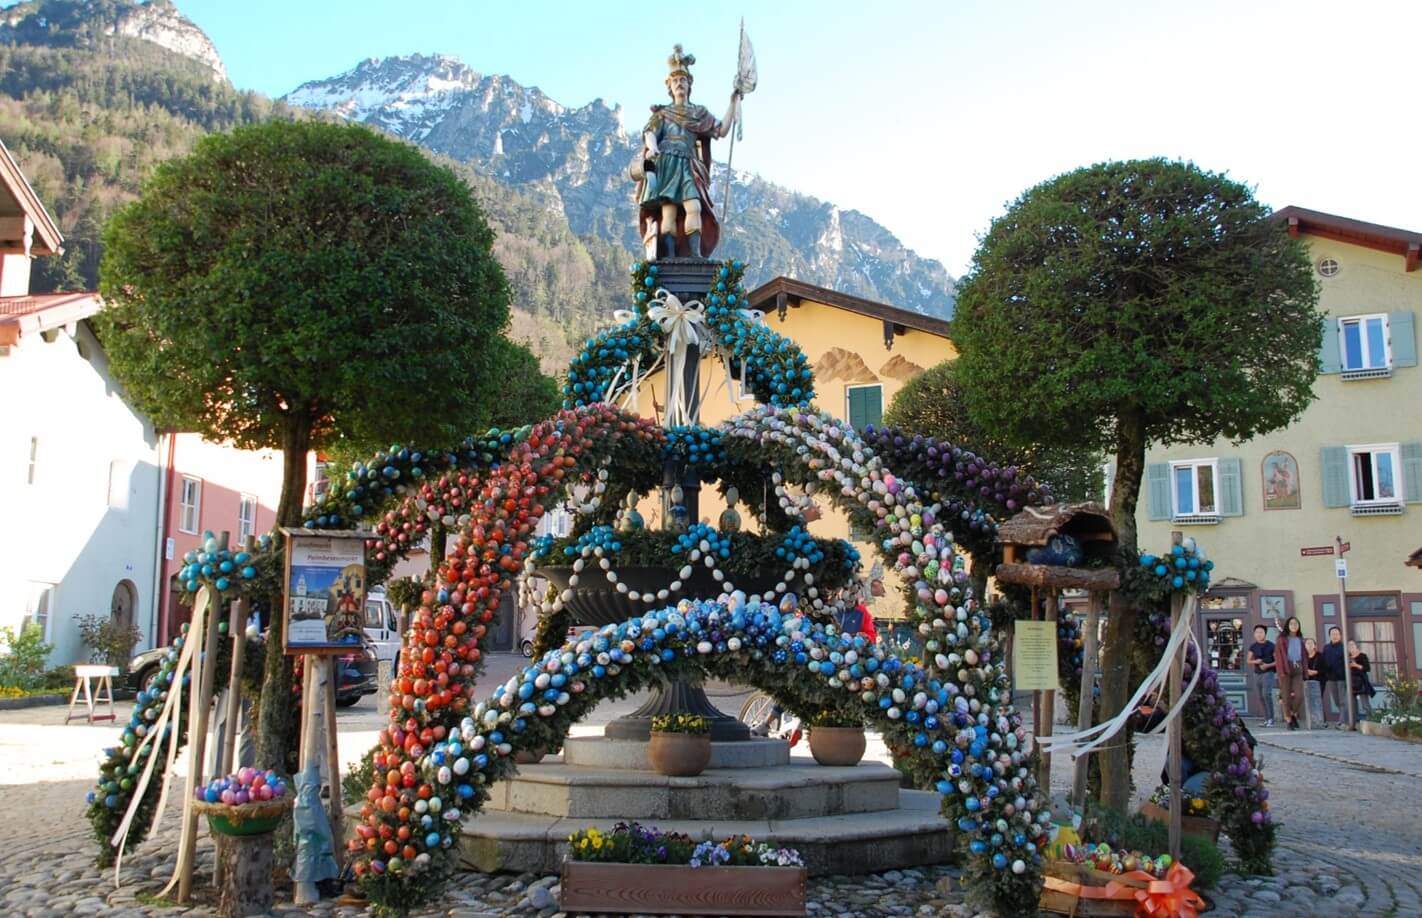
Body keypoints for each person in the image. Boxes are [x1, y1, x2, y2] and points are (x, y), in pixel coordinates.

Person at [634, 45, 740, 260]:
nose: (679, 84)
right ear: (670, 87)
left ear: (689, 85)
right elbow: (650, 133)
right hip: (667, 161)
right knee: (669, 211)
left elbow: (721, 130)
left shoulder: (698, 113)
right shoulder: (663, 113)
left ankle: (694, 254)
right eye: (675, 82)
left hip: (689, 164)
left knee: (694, 206)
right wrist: (653, 148)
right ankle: (670, 255)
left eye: (683, 81)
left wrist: (733, 102)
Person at [1272, 616, 1306, 730]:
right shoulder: (1282, 639)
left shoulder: (1300, 639)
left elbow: (1304, 656)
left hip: (1298, 667)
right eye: (1291, 624)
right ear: (1287, 625)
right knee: (1286, 696)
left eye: (1296, 624)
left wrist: (1305, 670)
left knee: (1299, 695)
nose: (1294, 626)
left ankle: (1293, 714)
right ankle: (1288, 720)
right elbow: (1278, 656)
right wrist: (1281, 670)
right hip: (1286, 667)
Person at [1246, 624, 1277, 727]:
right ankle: (1266, 719)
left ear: (1265, 634)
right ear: (1254, 634)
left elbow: (1277, 661)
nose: (1259, 634)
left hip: (1269, 673)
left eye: (1261, 632)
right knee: (1260, 696)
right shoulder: (1253, 646)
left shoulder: (1271, 645)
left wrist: (1267, 665)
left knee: (1266, 694)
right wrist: (1256, 661)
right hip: (1257, 673)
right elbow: (1248, 660)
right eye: (1257, 632)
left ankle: (1271, 719)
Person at [1320, 626, 1348, 727]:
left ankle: (1342, 721)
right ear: (1329, 636)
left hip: (1342, 678)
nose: (1335, 636)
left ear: (1340, 635)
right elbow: (1323, 661)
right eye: (1332, 634)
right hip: (1331, 678)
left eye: (1336, 634)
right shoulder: (1326, 648)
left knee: (1342, 700)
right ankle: (1345, 718)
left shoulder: (1344, 647)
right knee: (1336, 700)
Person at [1348, 640, 1376, 718]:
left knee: (1365, 704)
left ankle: (1373, 719)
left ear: (1356, 645)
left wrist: (1356, 665)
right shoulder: (1346, 657)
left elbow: (1367, 668)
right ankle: (1355, 722)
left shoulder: (1362, 655)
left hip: (1361, 681)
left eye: (1352, 644)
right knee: (1352, 705)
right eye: (1349, 645)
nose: (1350, 646)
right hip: (1351, 682)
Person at [1304, 637, 1325, 729]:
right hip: (1306, 681)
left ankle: (1321, 720)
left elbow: (1325, 669)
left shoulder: (1320, 656)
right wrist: (1306, 671)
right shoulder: (1303, 657)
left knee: (1318, 701)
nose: (1309, 645)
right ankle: (1311, 720)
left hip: (1319, 680)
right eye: (1307, 643)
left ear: (1315, 646)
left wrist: (1316, 672)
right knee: (1307, 701)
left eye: (1311, 643)